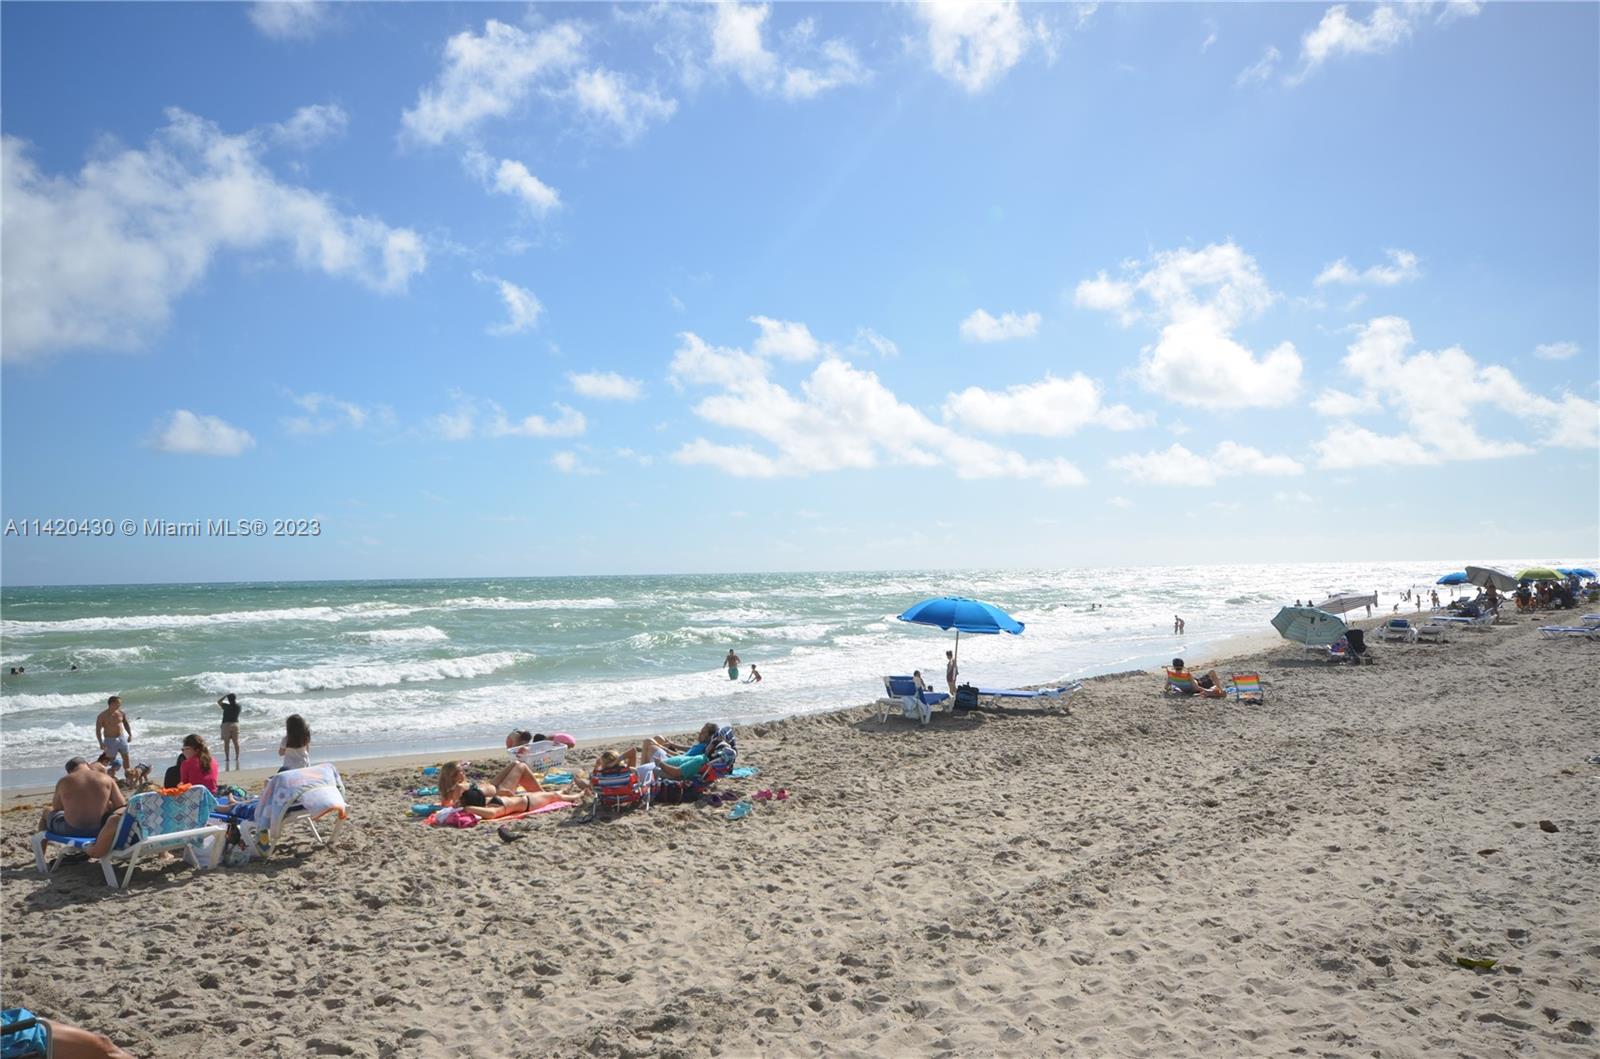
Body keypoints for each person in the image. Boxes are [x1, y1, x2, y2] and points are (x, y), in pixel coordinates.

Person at [39, 757, 128, 860]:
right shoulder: (106, 778)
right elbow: (121, 805)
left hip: (72, 830)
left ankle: (41, 855)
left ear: (69, 771)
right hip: (100, 830)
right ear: (88, 764)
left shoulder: (64, 781)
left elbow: (57, 807)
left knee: (47, 811)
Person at [94, 695, 133, 774]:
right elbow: (98, 730)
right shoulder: (102, 716)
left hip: (122, 738)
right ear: (111, 703)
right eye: (118, 703)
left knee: (126, 758)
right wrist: (100, 743)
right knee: (108, 761)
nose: (120, 705)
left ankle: (128, 777)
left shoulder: (121, 713)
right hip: (110, 740)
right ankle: (103, 775)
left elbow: (126, 723)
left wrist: (130, 734)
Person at [215, 693, 243, 771]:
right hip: (235, 724)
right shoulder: (238, 706)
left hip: (226, 725)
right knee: (236, 742)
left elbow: (218, 702)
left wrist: (224, 696)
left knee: (226, 743)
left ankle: (227, 758)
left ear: (228, 699)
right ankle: (237, 757)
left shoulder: (226, 706)